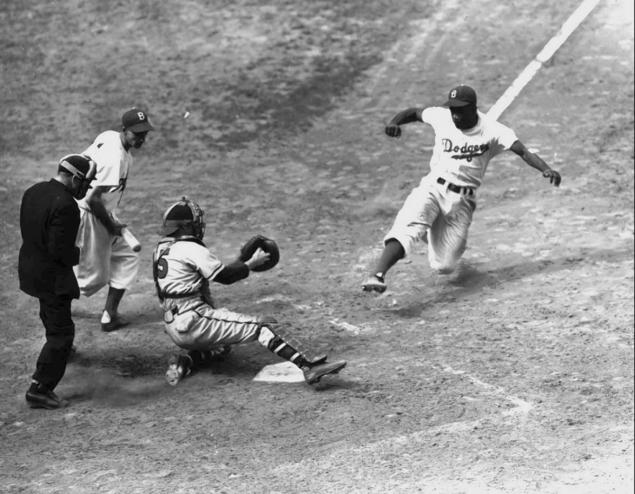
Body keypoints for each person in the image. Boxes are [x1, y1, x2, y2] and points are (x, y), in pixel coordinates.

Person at [362, 84, 561, 293]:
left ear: (473, 108)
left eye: (460, 110)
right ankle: (378, 275)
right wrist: (395, 122)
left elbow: (523, 151)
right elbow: (414, 113)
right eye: (453, 109)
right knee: (406, 229)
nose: (455, 115)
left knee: (444, 266)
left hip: (462, 202)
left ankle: (430, 229)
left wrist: (546, 169)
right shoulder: (442, 116)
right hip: (433, 188)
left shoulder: (494, 130)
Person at [152, 197, 347, 386]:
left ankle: (185, 362)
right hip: (195, 321)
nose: (198, 226)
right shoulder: (191, 248)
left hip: (174, 324)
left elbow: (209, 274)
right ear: (185, 226)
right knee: (265, 325)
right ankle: (310, 365)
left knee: (221, 346)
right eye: (194, 223)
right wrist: (250, 265)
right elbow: (225, 277)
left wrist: (242, 260)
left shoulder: (161, 249)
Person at [19, 154, 97, 409]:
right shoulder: (66, 205)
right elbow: (59, 251)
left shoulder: (34, 191)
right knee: (61, 334)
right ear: (75, 177)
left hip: (31, 269)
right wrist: (78, 254)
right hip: (52, 277)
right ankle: (40, 387)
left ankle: (59, 355)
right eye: (86, 182)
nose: (86, 187)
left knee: (51, 317)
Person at [75, 108, 154, 331]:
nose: (141, 139)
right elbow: (93, 199)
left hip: (96, 210)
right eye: (136, 134)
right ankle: (52, 294)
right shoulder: (115, 159)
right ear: (124, 130)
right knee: (92, 279)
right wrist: (112, 227)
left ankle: (109, 315)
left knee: (127, 256)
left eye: (144, 134)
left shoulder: (109, 136)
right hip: (91, 215)